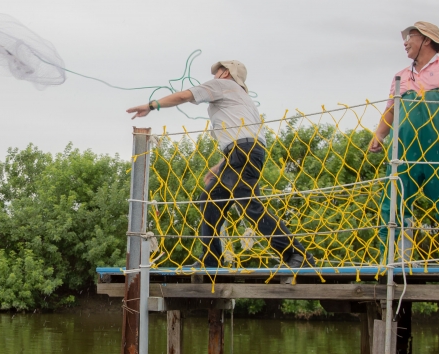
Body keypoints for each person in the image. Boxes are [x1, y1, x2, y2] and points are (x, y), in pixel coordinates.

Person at [127, 61, 315, 269]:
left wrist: (152, 106)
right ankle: (211, 260)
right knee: (209, 200)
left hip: (242, 153)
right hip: (241, 153)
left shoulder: (222, 85)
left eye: (217, 72)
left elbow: (184, 96)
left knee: (249, 206)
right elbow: (245, 137)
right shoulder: (243, 100)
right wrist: (220, 167)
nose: (214, 76)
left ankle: (297, 254)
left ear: (225, 73)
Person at [368, 22, 439, 268]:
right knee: (393, 204)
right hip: (404, 150)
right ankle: (392, 259)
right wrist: (379, 135)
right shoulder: (401, 76)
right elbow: (390, 110)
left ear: (426, 40)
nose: (405, 42)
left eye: (410, 37)